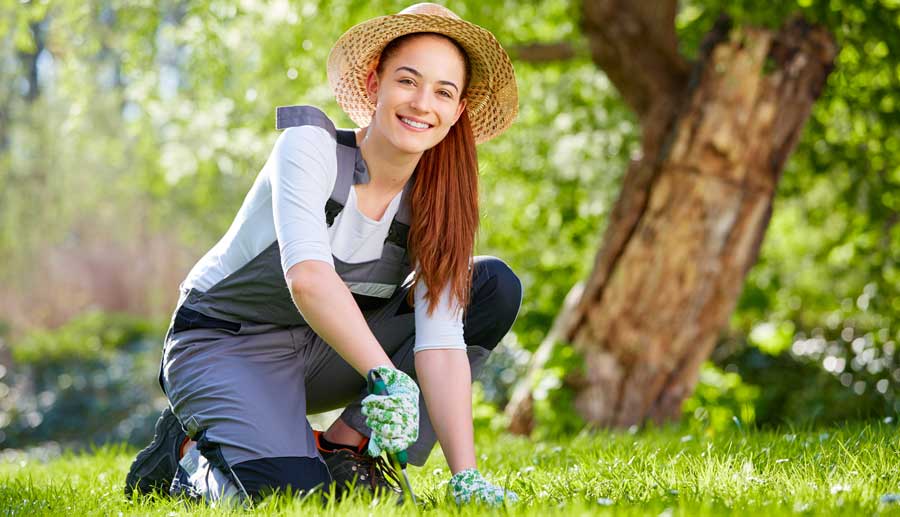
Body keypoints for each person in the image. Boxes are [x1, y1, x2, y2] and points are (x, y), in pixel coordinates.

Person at [123, 2, 521, 506]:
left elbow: (440, 342)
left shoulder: (439, 198)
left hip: (323, 355)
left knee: (489, 286)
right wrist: (385, 377)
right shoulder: (309, 145)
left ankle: (345, 448)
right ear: (374, 85)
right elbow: (309, 279)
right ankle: (187, 462)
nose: (423, 103)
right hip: (225, 346)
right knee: (298, 502)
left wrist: (466, 475)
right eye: (407, 80)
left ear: (458, 110)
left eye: (443, 91)